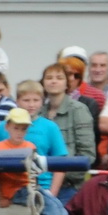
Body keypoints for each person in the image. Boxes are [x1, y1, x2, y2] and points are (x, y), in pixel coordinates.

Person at [37, 62, 97, 198]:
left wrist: (61, 175)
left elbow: (87, 154)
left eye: (59, 78)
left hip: (69, 186)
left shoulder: (79, 110)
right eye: (49, 77)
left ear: (67, 84)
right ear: (43, 83)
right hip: (40, 184)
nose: (53, 81)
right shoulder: (38, 112)